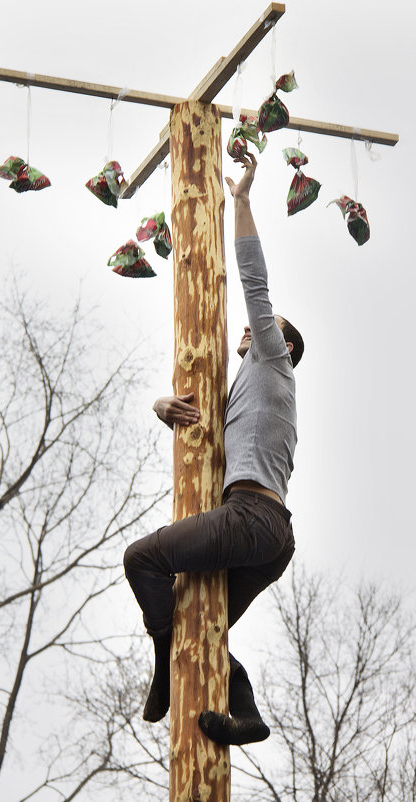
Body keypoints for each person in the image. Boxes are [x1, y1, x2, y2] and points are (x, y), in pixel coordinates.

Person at [124, 152, 304, 746]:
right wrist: (162, 408)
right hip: (270, 535)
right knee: (202, 627)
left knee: (141, 559)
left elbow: (254, 279)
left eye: (266, 325)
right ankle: (247, 714)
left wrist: (244, 200)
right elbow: (204, 429)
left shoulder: (274, 359)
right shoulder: (253, 395)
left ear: (281, 341)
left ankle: (159, 668)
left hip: (252, 520)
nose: (252, 328)